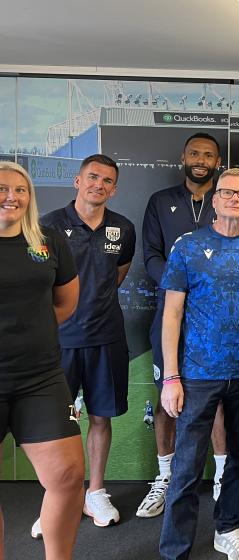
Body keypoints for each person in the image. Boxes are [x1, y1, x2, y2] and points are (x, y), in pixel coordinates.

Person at [158, 168, 239, 560]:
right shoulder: (188, 246)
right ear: (214, 199)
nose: (235, 199)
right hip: (197, 375)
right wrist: (171, 377)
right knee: (186, 468)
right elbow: (171, 315)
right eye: (227, 192)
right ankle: (175, 548)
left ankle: (229, 527)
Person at [38, 154, 136, 531]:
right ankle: (57, 498)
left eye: (107, 180)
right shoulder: (47, 226)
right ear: (78, 181)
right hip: (58, 342)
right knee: (56, 425)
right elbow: (40, 282)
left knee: (100, 417)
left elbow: (118, 275)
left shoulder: (122, 229)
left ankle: (95, 491)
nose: (99, 184)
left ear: (114, 188)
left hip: (106, 339)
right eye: (92, 177)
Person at [139, 132, 226, 517]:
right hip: (168, 314)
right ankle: (165, 477)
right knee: (167, 396)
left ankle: (222, 476)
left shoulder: (226, 203)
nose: (200, 159)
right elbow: (151, 255)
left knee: (217, 401)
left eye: (208, 154)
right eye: (194, 153)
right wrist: (180, 285)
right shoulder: (161, 202)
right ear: (183, 156)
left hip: (214, 318)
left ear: (218, 162)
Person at [1, 160, 83, 560]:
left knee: (68, 476)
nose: (10, 197)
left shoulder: (47, 240)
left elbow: (65, 302)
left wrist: (28, 329)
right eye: (1, 188)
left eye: (20, 189)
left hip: (40, 377)